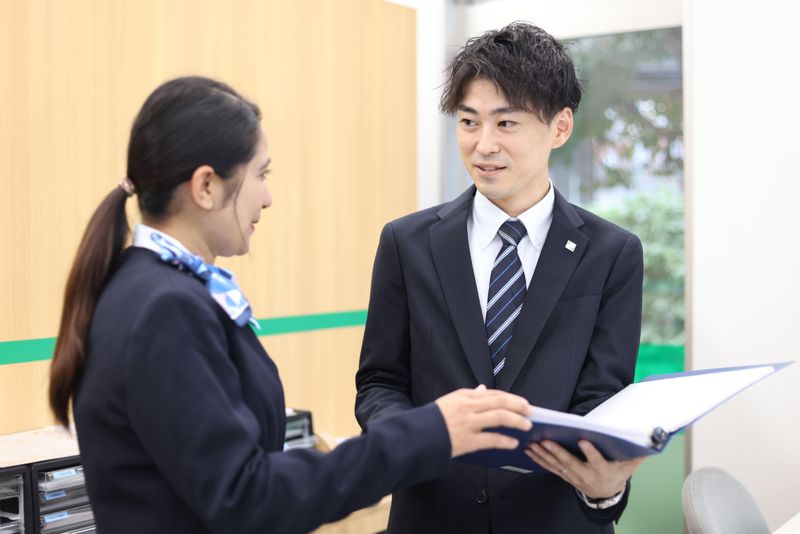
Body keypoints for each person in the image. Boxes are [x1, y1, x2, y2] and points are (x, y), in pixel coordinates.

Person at [47, 76, 536, 534]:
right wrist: (431, 431)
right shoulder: (166, 308)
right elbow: (246, 495)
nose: (268, 196)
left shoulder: (150, 288)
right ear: (206, 186)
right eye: (260, 174)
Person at [355, 22, 646, 534]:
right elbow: (380, 381)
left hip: (554, 521)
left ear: (560, 127)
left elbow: (602, 400)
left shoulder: (613, 253)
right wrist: (415, 439)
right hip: (432, 517)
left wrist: (606, 487)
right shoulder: (407, 243)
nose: (483, 145)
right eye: (469, 122)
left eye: (506, 124)